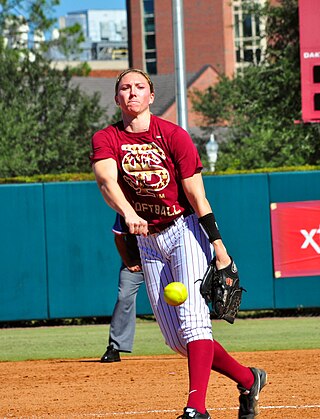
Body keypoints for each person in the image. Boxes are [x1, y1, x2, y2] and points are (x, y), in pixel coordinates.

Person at [90, 68, 267, 419]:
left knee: (195, 324)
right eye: (125, 88)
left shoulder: (173, 135)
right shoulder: (107, 137)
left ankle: (195, 408)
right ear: (117, 98)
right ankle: (249, 379)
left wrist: (219, 247)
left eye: (140, 87)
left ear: (152, 96)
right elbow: (106, 180)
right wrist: (128, 213)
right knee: (176, 340)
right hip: (148, 241)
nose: (132, 92)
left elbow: (197, 197)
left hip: (183, 230)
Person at [101, 213, 144, 363]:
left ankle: (192, 342)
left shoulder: (164, 205)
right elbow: (119, 237)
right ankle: (115, 347)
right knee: (124, 296)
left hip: (164, 261)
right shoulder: (127, 208)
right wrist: (128, 261)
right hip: (137, 261)